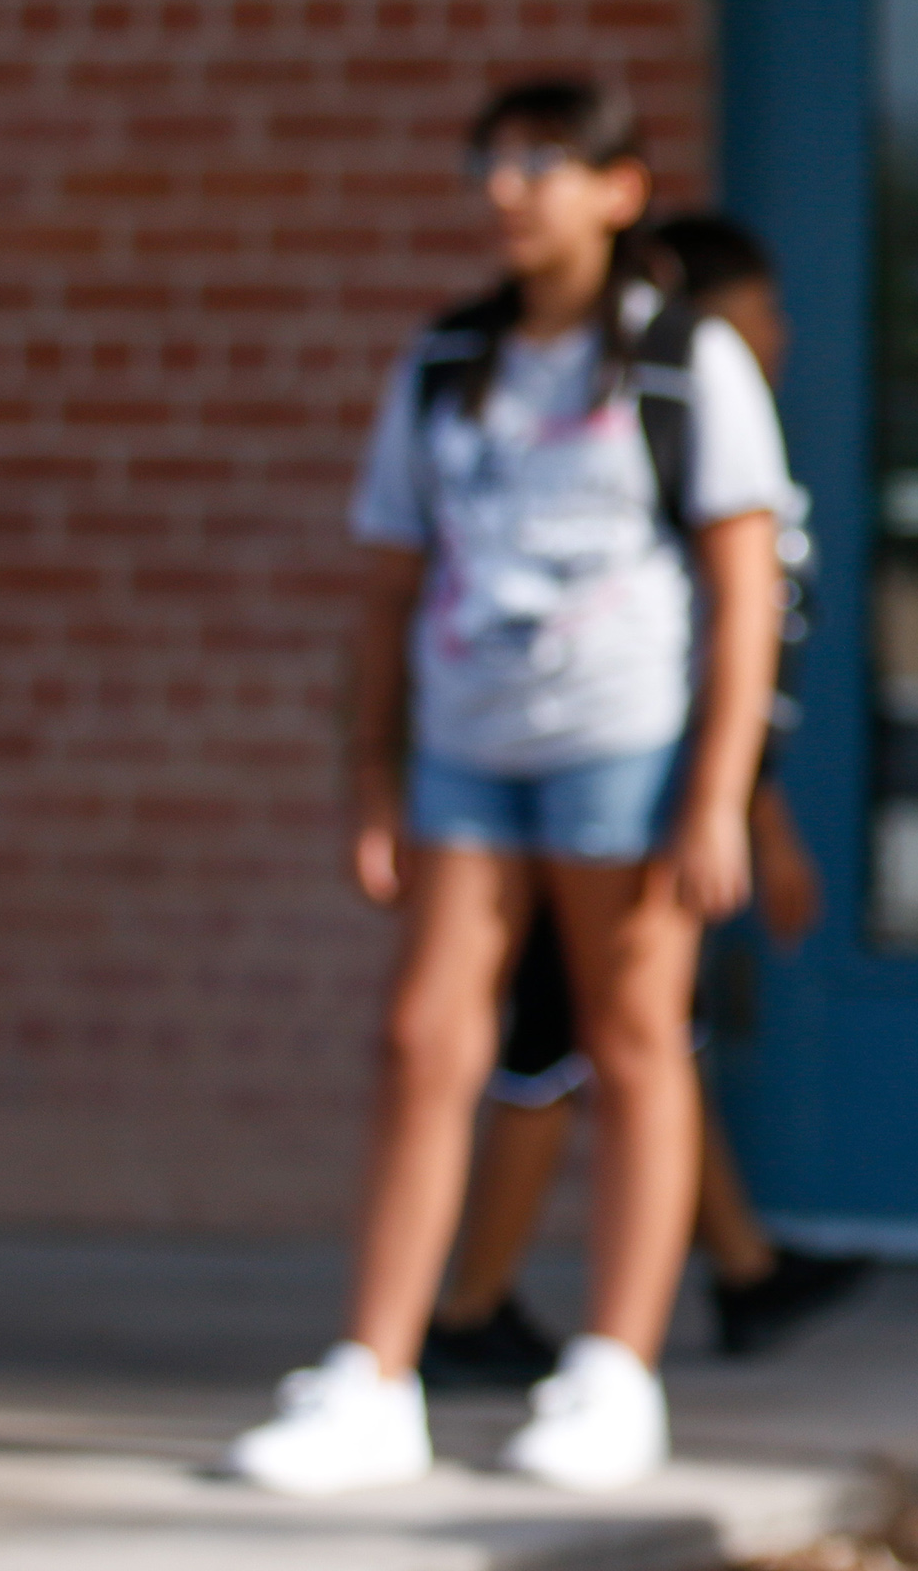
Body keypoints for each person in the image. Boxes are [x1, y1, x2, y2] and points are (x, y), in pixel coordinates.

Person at [229, 82, 791, 1495]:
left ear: (618, 188)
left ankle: (614, 1371)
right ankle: (373, 1374)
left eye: (545, 161)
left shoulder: (683, 362)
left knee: (633, 1035)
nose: (509, 186)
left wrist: (719, 792)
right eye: (493, 160)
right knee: (426, 1039)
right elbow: (384, 590)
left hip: (625, 749)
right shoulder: (444, 363)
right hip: (467, 754)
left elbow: (742, 592)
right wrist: (368, 774)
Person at [419, 213, 867, 1388]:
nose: (784, 331)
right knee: (564, 1036)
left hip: (642, 791)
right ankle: (466, 1306)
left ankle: (743, 1265)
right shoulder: (658, 419)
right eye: (764, 309)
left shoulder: (723, 448)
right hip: (617, 792)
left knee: (644, 1034)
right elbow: (735, 656)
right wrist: (750, 818)